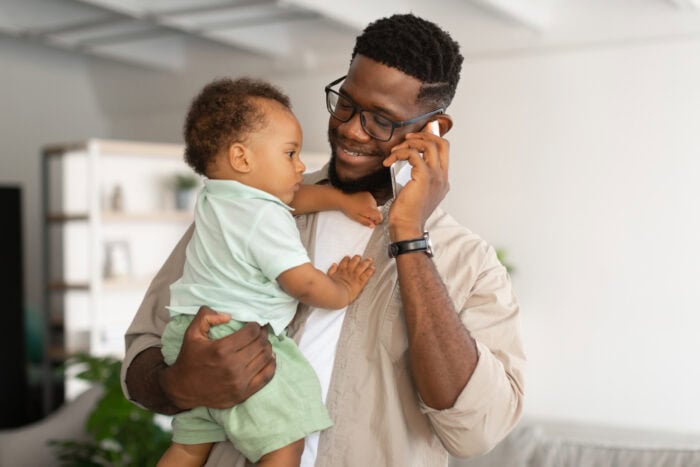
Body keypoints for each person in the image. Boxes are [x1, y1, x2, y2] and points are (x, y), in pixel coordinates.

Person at [122, 13, 525, 467]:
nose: (352, 129)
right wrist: (178, 383)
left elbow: (476, 431)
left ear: (432, 130)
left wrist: (410, 236)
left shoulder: (469, 262)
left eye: (381, 120)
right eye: (346, 103)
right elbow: (142, 350)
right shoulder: (250, 205)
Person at [157, 77, 379, 467]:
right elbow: (301, 281)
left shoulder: (218, 196)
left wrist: (340, 202)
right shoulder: (264, 218)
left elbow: (293, 201)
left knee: (189, 448)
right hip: (239, 341)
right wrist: (342, 289)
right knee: (284, 443)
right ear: (243, 158)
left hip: (189, 337)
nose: (302, 165)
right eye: (290, 154)